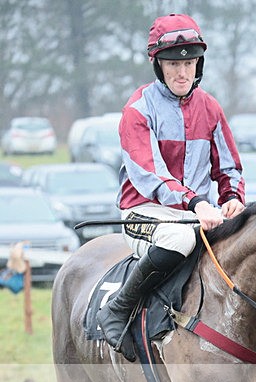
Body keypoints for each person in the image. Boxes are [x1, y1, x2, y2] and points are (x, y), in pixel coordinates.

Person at [97, 13, 245, 361]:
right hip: (143, 211)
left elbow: (229, 166)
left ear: (199, 64)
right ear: (158, 66)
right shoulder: (138, 109)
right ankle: (119, 308)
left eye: (190, 63)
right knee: (179, 238)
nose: (182, 73)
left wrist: (233, 198)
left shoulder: (210, 108)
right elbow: (151, 177)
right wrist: (196, 203)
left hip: (198, 214)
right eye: (172, 64)